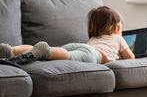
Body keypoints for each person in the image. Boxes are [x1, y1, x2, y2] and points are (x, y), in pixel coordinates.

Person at [0, 6, 135, 65]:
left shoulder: (95, 38)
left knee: (60, 52)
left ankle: (11, 50)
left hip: (80, 46)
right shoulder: (118, 37)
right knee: (67, 56)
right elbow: (130, 57)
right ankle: (45, 51)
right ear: (117, 28)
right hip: (93, 55)